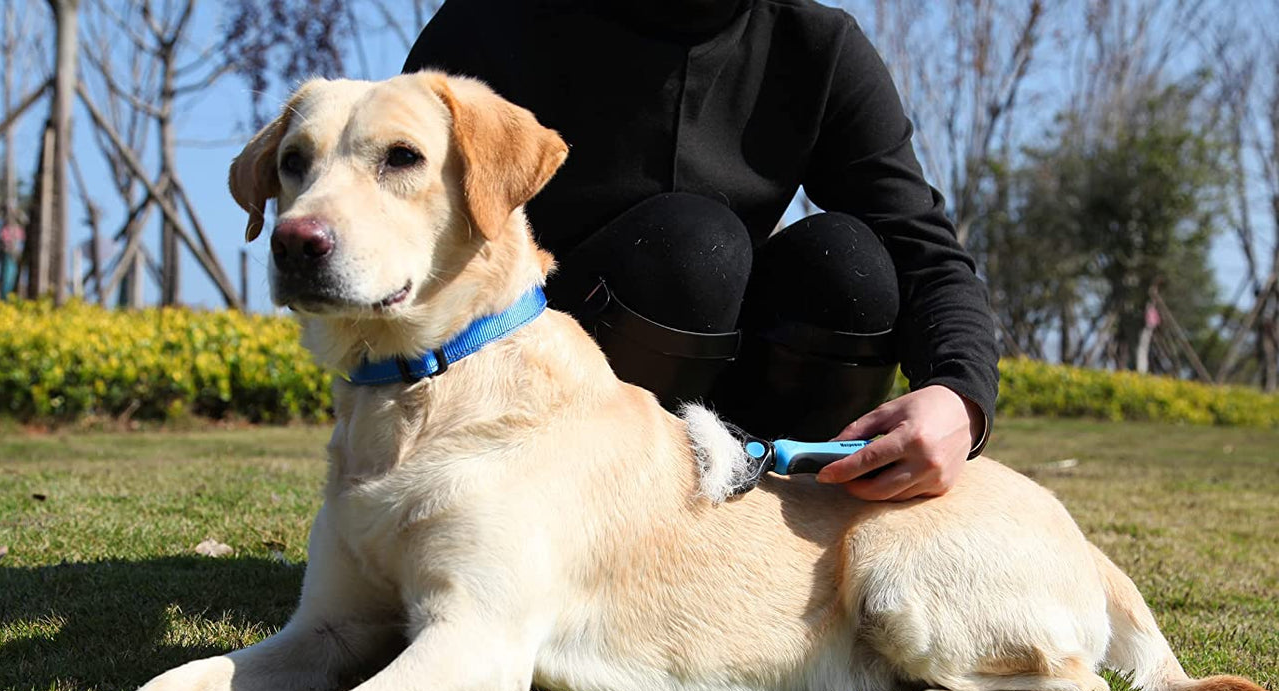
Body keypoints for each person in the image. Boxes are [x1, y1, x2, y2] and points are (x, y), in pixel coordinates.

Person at [404, 0, 998, 501]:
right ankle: (594, 524)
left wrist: (960, 399)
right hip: (540, 405)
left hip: (735, 402)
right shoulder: (495, 22)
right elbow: (397, 226)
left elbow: (924, 253)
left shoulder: (817, 44)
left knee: (849, 267)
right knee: (691, 249)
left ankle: (778, 518)